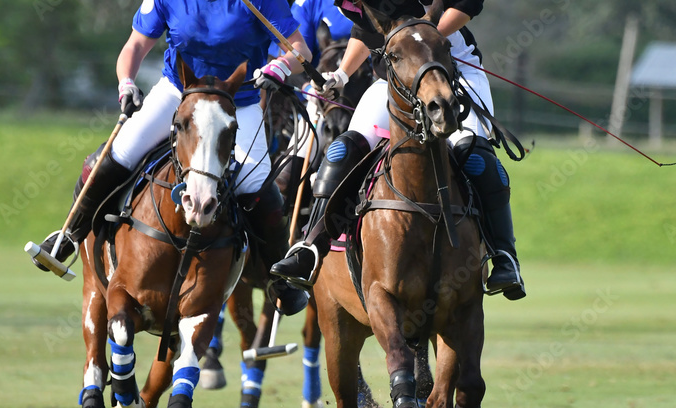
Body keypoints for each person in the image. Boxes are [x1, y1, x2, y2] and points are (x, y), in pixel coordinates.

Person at [37, 0, 313, 311]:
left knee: (256, 184)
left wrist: (281, 65)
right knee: (117, 154)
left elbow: (301, 51)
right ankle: (70, 235)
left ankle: (279, 277)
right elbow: (136, 45)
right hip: (178, 94)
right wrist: (126, 82)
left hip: (239, 101)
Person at [270, 0, 527, 301]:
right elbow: (365, 30)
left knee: (475, 155)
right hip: (395, 76)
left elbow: (467, 3)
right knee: (344, 149)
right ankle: (311, 246)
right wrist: (342, 74)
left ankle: (504, 257)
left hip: (454, 67)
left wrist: (422, 41)